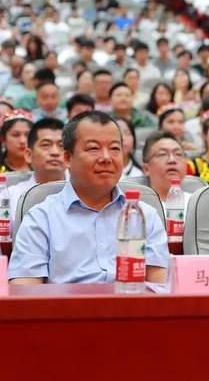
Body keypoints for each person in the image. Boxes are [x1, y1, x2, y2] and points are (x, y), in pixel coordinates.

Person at [8, 111, 169, 284]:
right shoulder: (41, 218)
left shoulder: (145, 215)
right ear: (68, 158)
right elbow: (24, 290)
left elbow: (159, 287)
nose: (106, 158)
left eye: (115, 149)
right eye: (93, 148)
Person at [4, 118, 66, 222]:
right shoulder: (9, 196)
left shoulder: (83, 191)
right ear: (29, 155)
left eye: (61, 146)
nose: (55, 152)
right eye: (46, 145)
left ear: (69, 155)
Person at [142, 131, 191, 208]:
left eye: (178, 154)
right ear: (146, 169)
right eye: (162, 154)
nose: (172, 160)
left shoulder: (197, 204)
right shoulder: (137, 207)